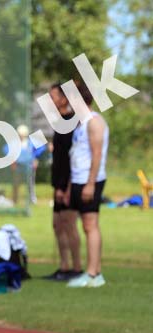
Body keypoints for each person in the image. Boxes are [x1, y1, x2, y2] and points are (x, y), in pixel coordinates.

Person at [67, 82, 108, 288]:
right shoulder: (80, 124)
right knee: (84, 225)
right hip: (78, 179)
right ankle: (95, 271)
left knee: (91, 225)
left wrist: (91, 183)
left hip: (89, 180)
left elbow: (97, 153)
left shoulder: (94, 122)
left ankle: (92, 274)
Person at [43, 83, 82, 281]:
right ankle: (64, 267)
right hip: (57, 183)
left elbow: (71, 159)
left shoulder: (72, 122)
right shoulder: (59, 122)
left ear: (64, 99)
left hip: (68, 183)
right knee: (57, 225)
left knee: (69, 224)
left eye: (54, 97)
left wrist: (66, 187)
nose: (50, 101)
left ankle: (77, 268)